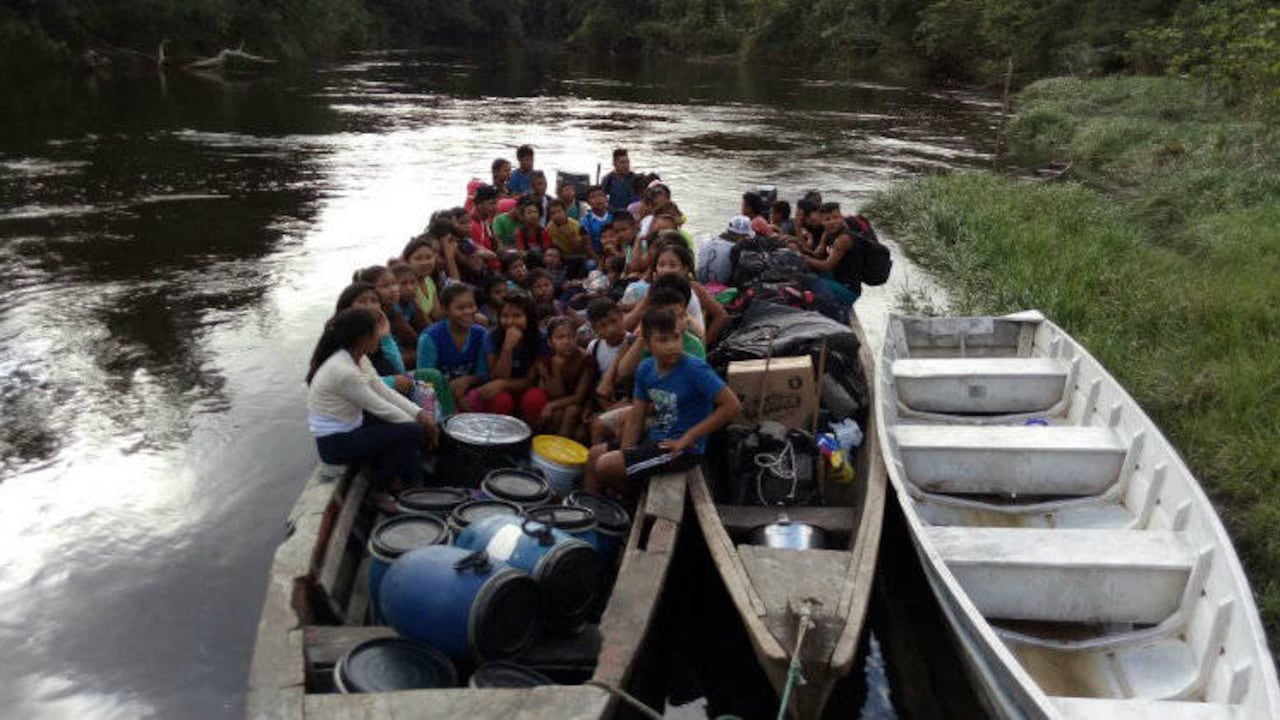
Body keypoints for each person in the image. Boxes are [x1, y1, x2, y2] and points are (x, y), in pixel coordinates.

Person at [582, 307, 741, 495]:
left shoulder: (695, 369)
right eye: (663, 340)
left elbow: (732, 406)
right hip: (656, 439)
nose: (672, 345)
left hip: (682, 449)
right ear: (648, 344)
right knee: (594, 455)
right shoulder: (645, 368)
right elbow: (636, 416)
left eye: (676, 337)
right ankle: (589, 511)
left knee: (605, 465)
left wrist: (690, 436)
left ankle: (628, 504)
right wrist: (628, 453)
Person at [307, 308, 438, 512]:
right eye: (376, 332)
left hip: (351, 427)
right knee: (411, 431)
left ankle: (413, 482)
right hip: (335, 443)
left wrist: (420, 414)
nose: (381, 336)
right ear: (363, 337)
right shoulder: (344, 371)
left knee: (411, 427)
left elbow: (382, 391)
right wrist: (420, 424)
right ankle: (379, 489)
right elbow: (380, 407)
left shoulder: (358, 357)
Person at [623, 239, 729, 346]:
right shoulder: (654, 291)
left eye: (672, 265)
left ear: (684, 269)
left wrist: (704, 345)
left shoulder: (694, 288)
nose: (666, 270)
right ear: (655, 269)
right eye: (661, 265)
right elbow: (627, 326)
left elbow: (721, 315)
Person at [468, 290, 547, 423]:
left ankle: (531, 435)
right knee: (500, 400)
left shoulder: (540, 338)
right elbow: (496, 377)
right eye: (505, 316)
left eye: (517, 316)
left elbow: (531, 380)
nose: (510, 322)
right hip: (501, 389)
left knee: (535, 398)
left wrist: (503, 384)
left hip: (525, 388)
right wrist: (507, 348)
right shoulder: (492, 337)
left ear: (529, 317)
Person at [417, 284, 489, 412]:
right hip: (437, 396)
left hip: (469, 392)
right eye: (460, 308)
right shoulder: (430, 338)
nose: (468, 312)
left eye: (471, 306)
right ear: (445, 310)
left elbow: (483, 373)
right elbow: (425, 379)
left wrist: (467, 380)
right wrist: (449, 395)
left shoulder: (481, 334)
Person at [585, 298, 637, 444]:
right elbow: (593, 380)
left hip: (628, 399)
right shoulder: (594, 347)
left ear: (622, 316)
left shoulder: (633, 344)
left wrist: (613, 408)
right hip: (604, 400)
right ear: (595, 329)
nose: (610, 329)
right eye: (602, 326)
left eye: (614, 321)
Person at [794, 201, 864, 305]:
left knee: (807, 280)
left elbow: (827, 265)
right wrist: (798, 229)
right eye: (827, 219)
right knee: (802, 273)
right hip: (835, 279)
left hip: (848, 290)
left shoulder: (844, 239)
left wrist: (804, 258)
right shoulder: (826, 234)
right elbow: (815, 255)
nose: (832, 222)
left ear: (841, 217)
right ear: (821, 221)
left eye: (836, 218)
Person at [534, 317, 592, 438]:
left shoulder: (586, 360)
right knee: (557, 416)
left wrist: (552, 405)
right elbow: (556, 394)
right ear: (550, 342)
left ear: (576, 338)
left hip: (582, 407)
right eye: (560, 337)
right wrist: (555, 368)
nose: (567, 341)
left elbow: (579, 397)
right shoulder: (546, 362)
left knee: (572, 411)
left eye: (571, 336)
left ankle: (560, 446)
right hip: (559, 404)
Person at [355, 265, 418, 366]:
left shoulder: (393, 310)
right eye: (385, 286)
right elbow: (378, 361)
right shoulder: (369, 318)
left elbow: (413, 339)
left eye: (394, 283)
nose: (393, 289)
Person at [698, 216, 753, 286]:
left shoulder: (706, 242)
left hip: (701, 286)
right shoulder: (737, 249)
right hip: (723, 291)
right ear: (744, 236)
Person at [401, 234, 442, 323]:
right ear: (408, 262)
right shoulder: (408, 286)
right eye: (418, 258)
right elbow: (422, 321)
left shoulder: (429, 281)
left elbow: (437, 314)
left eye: (429, 257)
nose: (424, 263)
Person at [391, 261, 428, 333]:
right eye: (403, 284)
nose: (410, 288)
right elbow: (409, 334)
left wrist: (418, 307)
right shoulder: (394, 306)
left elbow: (427, 326)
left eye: (413, 282)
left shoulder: (411, 302)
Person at [470, 184, 501, 269]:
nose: (496, 207)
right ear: (479, 204)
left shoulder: (486, 222)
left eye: (496, 203)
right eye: (492, 203)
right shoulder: (473, 226)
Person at [579, 185, 613, 257]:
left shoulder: (614, 217)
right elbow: (587, 245)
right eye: (593, 197)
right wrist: (598, 260)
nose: (598, 199)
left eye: (600, 195)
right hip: (596, 255)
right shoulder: (585, 221)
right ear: (588, 202)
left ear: (606, 199)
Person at [600, 148, 636, 212]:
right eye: (622, 162)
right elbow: (602, 198)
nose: (626, 165)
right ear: (614, 164)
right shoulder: (608, 179)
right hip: (614, 213)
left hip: (632, 213)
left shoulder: (635, 178)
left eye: (627, 162)